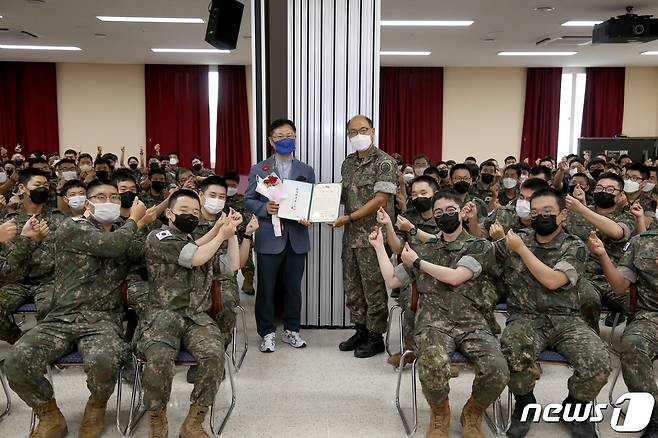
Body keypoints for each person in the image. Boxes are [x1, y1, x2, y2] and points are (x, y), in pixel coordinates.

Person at [5, 179, 147, 438]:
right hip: (61, 317)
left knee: (105, 361)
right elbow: (111, 245)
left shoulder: (124, 233)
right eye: (101, 197)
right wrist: (135, 221)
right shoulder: (72, 226)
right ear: (88, 203)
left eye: (115, 197)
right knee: (16, 361)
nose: (110, 202)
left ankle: (96, 406)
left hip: (102, 320)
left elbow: (146, 256)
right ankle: (48, 414)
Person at [371, 189, 509, 438]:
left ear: (461, 211)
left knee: (497, 367)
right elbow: (392, 280)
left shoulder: (478, 246)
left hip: (472, 321)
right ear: (433, 217)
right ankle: (440, 414)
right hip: (433, 322)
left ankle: (473, 412)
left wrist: (417, 263)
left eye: (450, 211)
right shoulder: (425, 248)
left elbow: (457, 277)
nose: (444, 216)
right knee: (432, 364)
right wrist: (379, 247)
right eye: (438, 213)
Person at [494, 188, 611, 438]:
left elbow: (553, 281)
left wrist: (522, 250)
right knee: (512, 349)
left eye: (548, 212)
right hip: (525, 317)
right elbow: (479, 255)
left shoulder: (574, 246)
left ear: (563, 215)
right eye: (535, 212)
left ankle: (576, 406)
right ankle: (525, 404)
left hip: (566, 319)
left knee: (599, 360)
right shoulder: (516, 238)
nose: (540, 217)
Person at [138, 189, 240, 438]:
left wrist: (230, 233)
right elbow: (194, 257)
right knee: (159, 358)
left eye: (196, 212)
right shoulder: (158, 237)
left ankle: (194, 421)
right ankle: (157, 418)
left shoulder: (191, 240)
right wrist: (219, 234)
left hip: (196, 317)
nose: (192, 216)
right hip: (163, 316)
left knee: (215, 355)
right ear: (170, 213)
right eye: (184, 211)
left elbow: (232, 266)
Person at [330, 114, 398, 358]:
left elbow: (380, 199)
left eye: (363, 130)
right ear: (347, 135)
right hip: (351, 239)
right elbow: (343, 195)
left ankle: (375, 336)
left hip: (374, 238)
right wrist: (318, 204)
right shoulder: (347, 163)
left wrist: (347, 218)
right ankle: (360, 329)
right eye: (352, 132)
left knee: (374, 289)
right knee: (353, 288)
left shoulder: (385, 163)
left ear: (372, 131)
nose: (358, 135)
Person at [246, 118, 315, 352]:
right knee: (266, 287)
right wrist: (264, 209)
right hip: (269, 238)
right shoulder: (261, 169)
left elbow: (311, 202)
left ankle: (292, 331)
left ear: (295, 138)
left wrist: (309, 215)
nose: (285, 139)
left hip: (296, 238)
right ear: (271, 141)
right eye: (280, 136)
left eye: (289, 135)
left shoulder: (306, 170)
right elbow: (248, 200)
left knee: (293, 288)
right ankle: (266, 333)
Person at [589, 226, 658, 436]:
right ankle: (653, 413)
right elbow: (619, 287)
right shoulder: (641, 242)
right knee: (632, 343)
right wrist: (603, 256)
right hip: (651, 315)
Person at [376, 175, 439, 367]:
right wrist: (388, 225)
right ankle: (411, 348)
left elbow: (440, 243)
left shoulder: (445, 214)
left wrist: (412, 229)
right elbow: (397, 249)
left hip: (440, 268)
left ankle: (441, 352)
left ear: (434, 194)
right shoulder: (409, 216)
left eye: (424, 193)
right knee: (409, 294)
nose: (419, 197)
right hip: (412, 269)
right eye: (415, 194)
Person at [563, 173, 638, 330]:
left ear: (620, 195)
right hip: (586, 277)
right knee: (587, 299)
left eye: (610, 189)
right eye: (599, 187)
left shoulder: (627, 216)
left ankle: (633, 337)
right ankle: (591, 338)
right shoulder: (576, 212)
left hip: (616, 277)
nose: (603, 191)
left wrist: (583, 210)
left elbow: (617, 232)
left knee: (639, 304)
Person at [0, 169, 65, 343]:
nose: (43, 189)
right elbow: (7, 264)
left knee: (52, 312)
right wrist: (29, 239)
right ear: (22, 188)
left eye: (45, 185)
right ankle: (21, 341)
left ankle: (42, 347)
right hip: (15, 282)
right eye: (37, 185)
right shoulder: (7, 221)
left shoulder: (58, 219)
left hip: (48, 282)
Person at [224, 170, 256, 295]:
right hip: (225, 236)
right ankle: (231, 284)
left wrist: (238, 226)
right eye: (228, 186)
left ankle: (248, 281)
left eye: (233, 186)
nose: (230, 188)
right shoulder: (220, 199)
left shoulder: (243, 200)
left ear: (237, 186)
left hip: (242, 235)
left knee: (247, 260)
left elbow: (248, 218)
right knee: (230, 263)